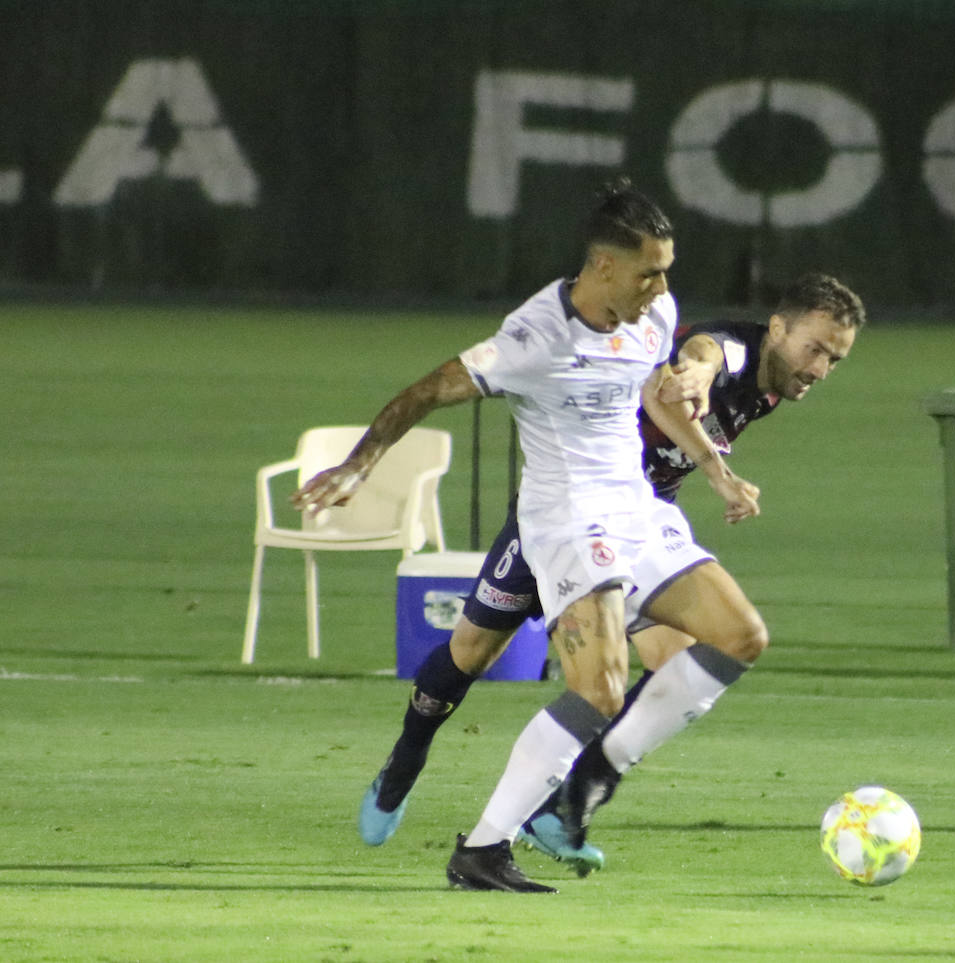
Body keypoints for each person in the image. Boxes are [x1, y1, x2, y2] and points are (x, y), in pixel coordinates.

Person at [295, 178, 771, 893]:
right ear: (604, 266)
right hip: (567, 520)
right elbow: (425, 391)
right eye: (650, 270)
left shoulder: (653, 312)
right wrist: (359, 466)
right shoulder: (533, 337)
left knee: (741, 633)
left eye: (666, 269)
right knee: (585, 684)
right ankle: (479, 842)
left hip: (636, 507)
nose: (663, 286)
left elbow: (651, 392)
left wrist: (714, 469)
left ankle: (577, 796)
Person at [351, 272, 866, 875]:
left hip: (642, 521)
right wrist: (703, 404)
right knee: (470, 654)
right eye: (815, 348)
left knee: (684, 660)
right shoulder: (733, 350)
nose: (822, 367)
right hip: (565, 514)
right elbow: (692, 364)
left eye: (836, 358)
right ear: (778, 328)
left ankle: (561, 805)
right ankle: (406, 759)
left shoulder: (771, 386)